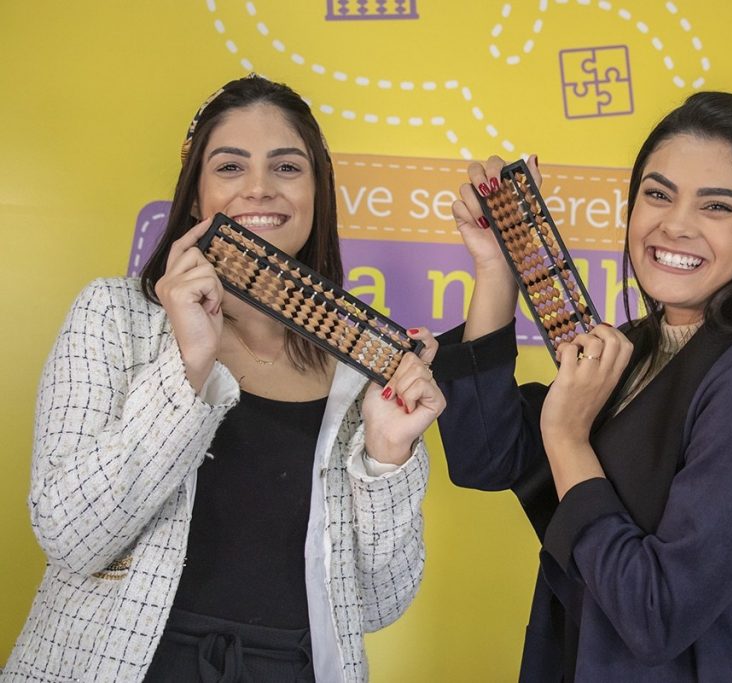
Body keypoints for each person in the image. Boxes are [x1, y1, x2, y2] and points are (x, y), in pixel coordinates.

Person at [2, 74, 443, 683]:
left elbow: (376, 604)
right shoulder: (114, 316)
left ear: (317, 194)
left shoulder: (362, 373)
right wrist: (187, 367)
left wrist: (387, 456)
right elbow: (73, 537)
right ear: (195, 196)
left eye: (287, 168)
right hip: (122, 665)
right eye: (230, 168)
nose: (259, 188)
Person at [426, 91, 732, 680]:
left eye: (716, 207)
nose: (675, 224)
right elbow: (485, 455)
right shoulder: (632, 350)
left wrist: (567, 437)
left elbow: (656, 612)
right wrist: (496, 270)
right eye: (658, 194)